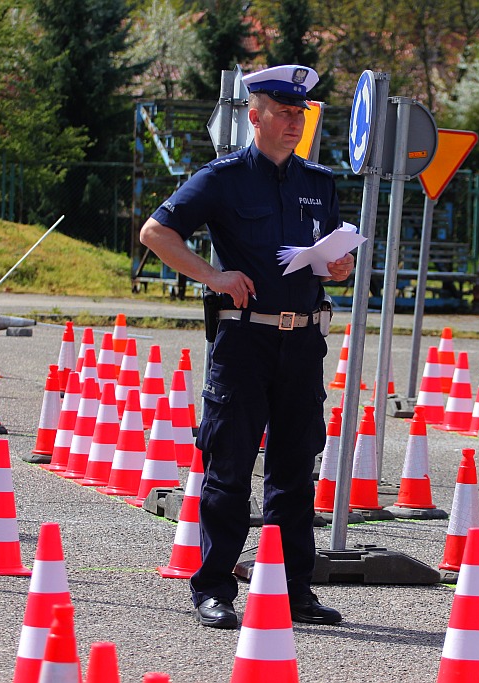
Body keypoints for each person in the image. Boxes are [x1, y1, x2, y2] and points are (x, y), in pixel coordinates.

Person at [139, 64, 354, 629]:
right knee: (229, 468)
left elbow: (335, 262)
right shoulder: (224, 178)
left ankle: (290, 589)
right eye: (284, 113)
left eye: (300, 114)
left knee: (294, 470)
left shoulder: (319, 184)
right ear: (253, 117)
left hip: (304, 340)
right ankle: (215, 589)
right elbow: (156, 233)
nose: (294, 123)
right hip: (245, 340)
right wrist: (214, 276)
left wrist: (339, 268)